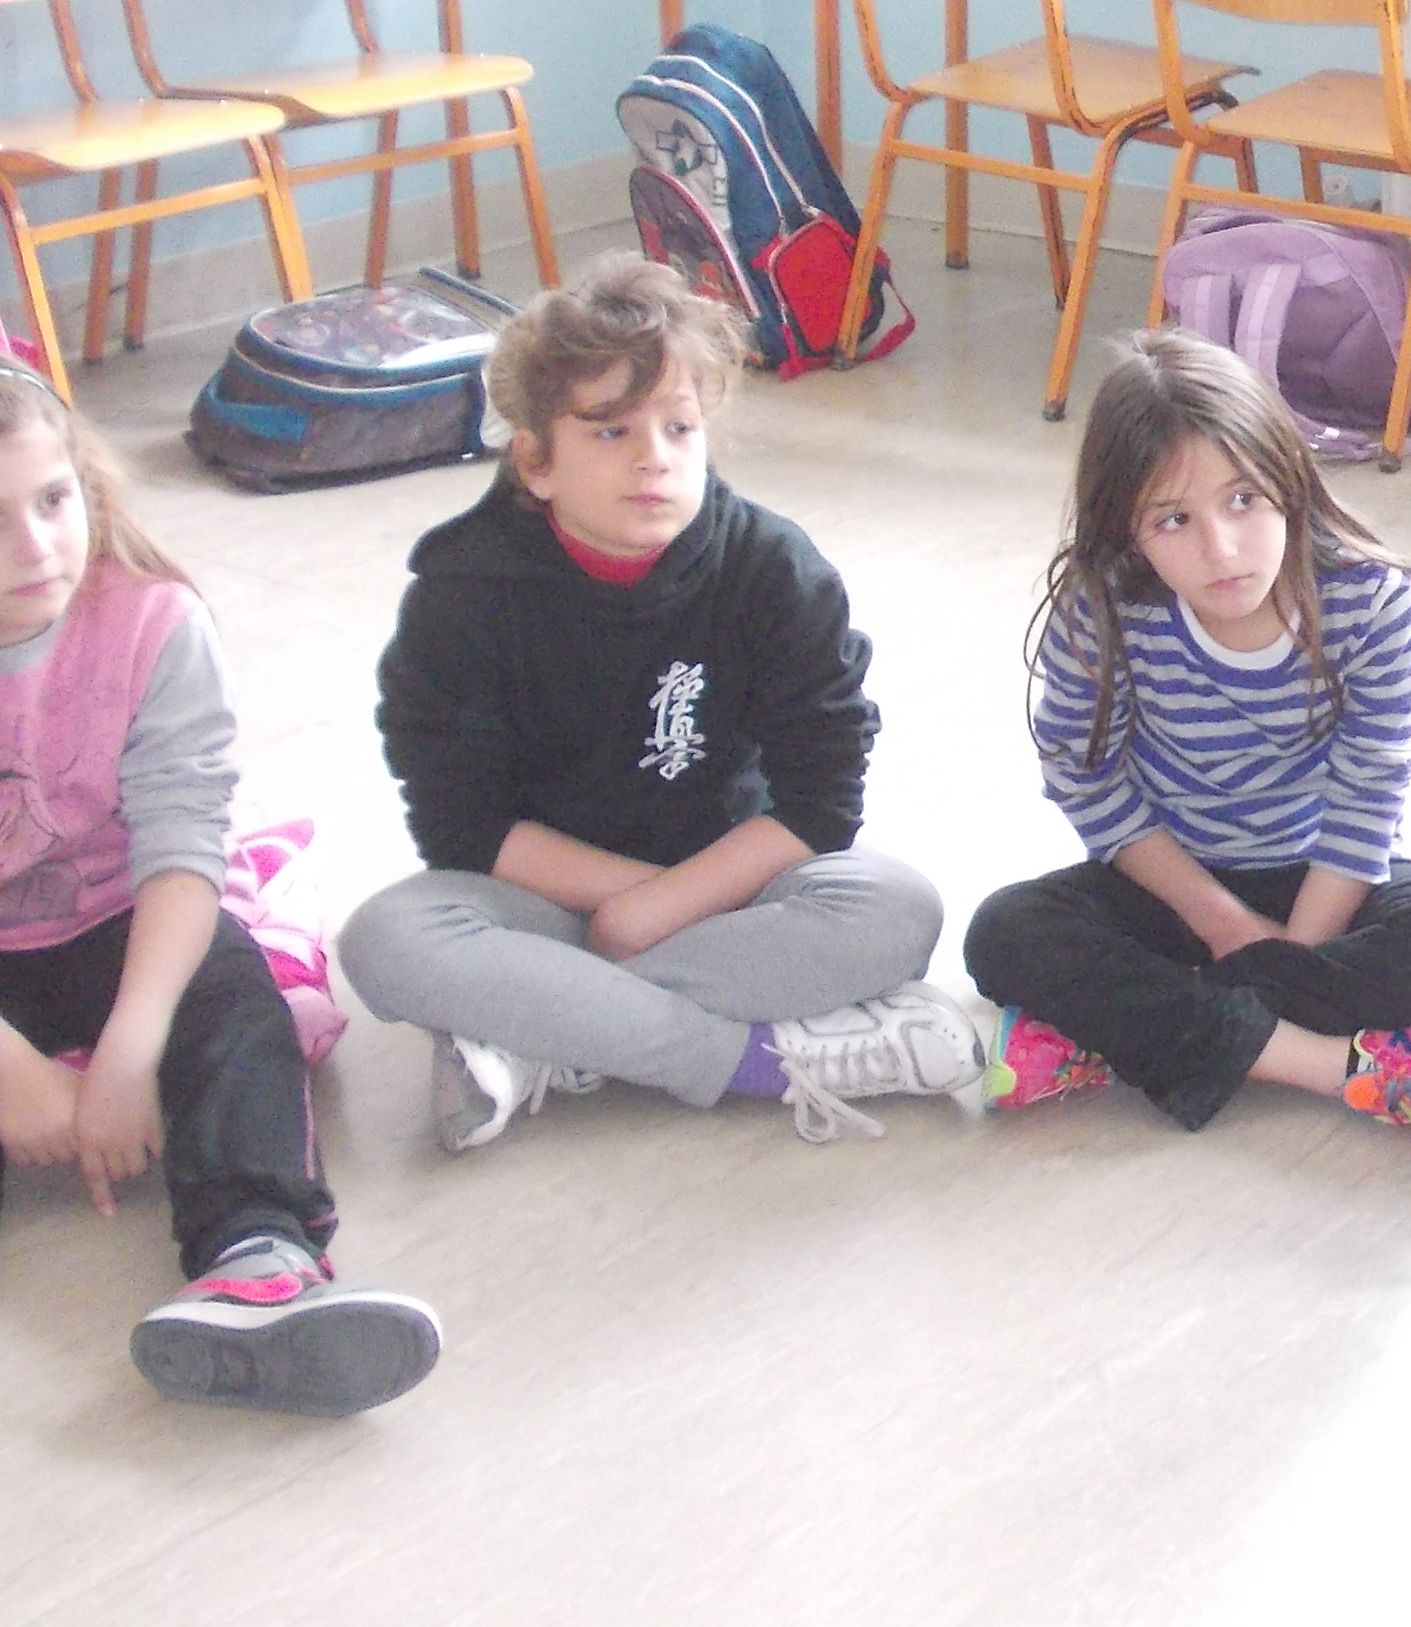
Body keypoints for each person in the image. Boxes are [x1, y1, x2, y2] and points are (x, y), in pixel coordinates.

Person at [0, 353, 438, 1482]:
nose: (37, 545)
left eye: (53, 500)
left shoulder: (152, 621)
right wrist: (9, 1069)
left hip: (131, 921)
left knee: (236, 1021)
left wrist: (130, 1047)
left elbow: (183, 846)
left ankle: (257, 1264)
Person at [339, 258, 963, 1151]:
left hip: (734, 889)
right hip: (544, 901)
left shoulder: (773, 570)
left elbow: (821, 803)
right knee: (386, 940)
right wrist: (634, 902)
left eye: (679, 427)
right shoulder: (461, 593)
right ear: (536, 461)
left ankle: (537, 1035)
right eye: (610, 430)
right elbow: (462, 827)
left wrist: (670, 906)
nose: (653, 459)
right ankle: (754, 1060)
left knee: (897, 907)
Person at [959, 331, 1411, 1135]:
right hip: (1169, 881)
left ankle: (1120, 1033)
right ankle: (1339, 1066)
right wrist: (1223, 923)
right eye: (1173, 519)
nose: (1219, 549)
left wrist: (1289, 950)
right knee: (1004, 934)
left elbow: (1367, 798)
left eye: (1244, 500)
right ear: (1127, 528)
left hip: (1320, 880)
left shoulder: (1371, 600)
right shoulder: (1104, 607)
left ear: (1289, 479)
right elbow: (1084, 775)